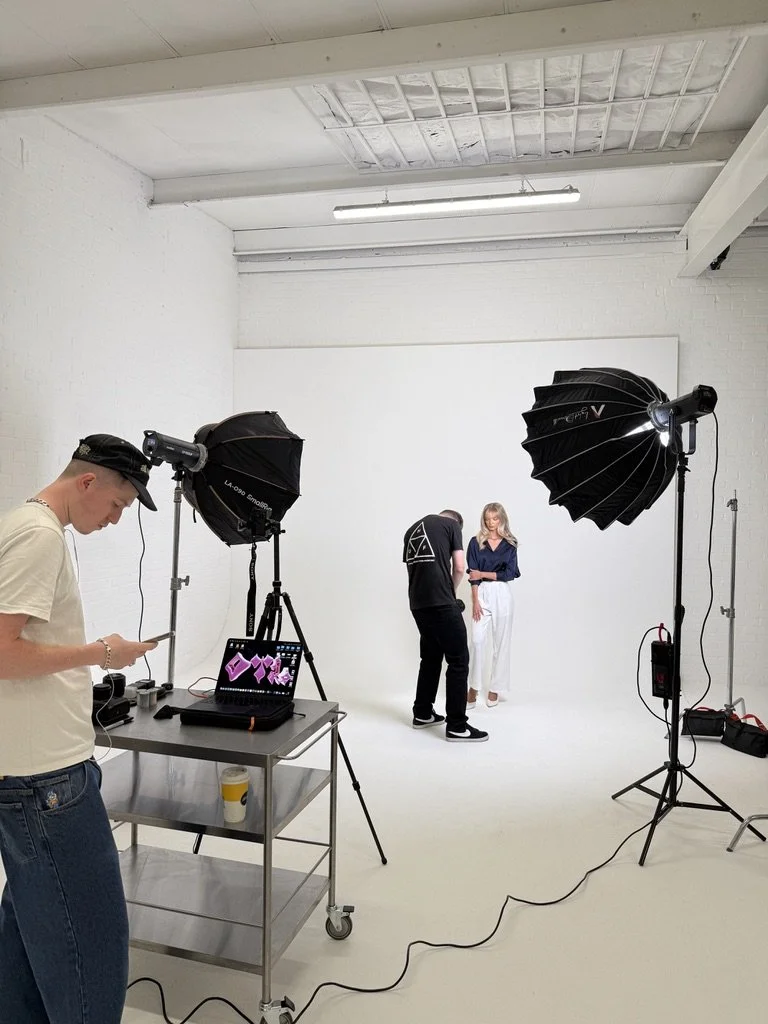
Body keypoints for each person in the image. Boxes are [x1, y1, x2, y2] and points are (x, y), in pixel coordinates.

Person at [0, 434, 160, 1024]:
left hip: (30, 776)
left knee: (27, 947)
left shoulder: (20, 525)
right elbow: (1, 652)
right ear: (87, 482)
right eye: (118, 503)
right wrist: (101, 652)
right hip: (48, 787)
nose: (118, 519)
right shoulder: (40, 537)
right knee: (92, 949)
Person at [403, 510, 488, 742]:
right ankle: (457, 726)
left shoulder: (412, 530)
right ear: (457, 523)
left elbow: (416, 571)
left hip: (418, 604)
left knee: (430, 659)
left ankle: (422, 713)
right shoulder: (452, 527)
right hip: (441, 602)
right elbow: (460, 567)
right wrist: (450, 594)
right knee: (458, 661)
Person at [467, 502, 520, 708]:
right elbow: (473, 574)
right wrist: (475, 601)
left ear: (502, 519)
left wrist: (483, 574)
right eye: (488, 519)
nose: (491, 523)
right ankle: (473, 685)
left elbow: (510, 573)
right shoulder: (476, 542)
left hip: (502, 593)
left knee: (501, 642)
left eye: (495, 519)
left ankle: (495, 687)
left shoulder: (511, 544)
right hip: (481, 592)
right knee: (477, 640)